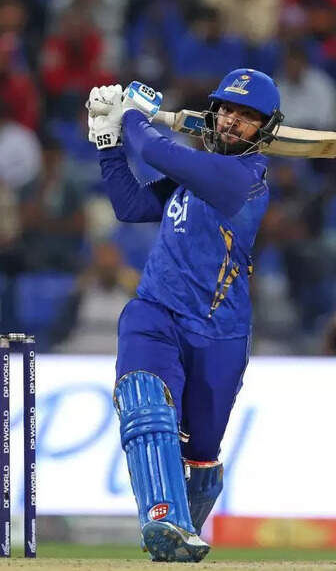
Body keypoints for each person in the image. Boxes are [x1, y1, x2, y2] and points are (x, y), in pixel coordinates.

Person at [86, 68, 282, 561]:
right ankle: (163, 519)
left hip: (220, 335)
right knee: (145, 403)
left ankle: (177, 538)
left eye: (247, 116)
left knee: (201, 460)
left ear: (264, 129)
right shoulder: (195, 171)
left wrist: (132, 117)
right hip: (155, 312)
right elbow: (131, 206)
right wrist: (108, 142)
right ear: (213, 113)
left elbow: (156, 151)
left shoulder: (243, 180)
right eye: (227, 110)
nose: (232, 121)